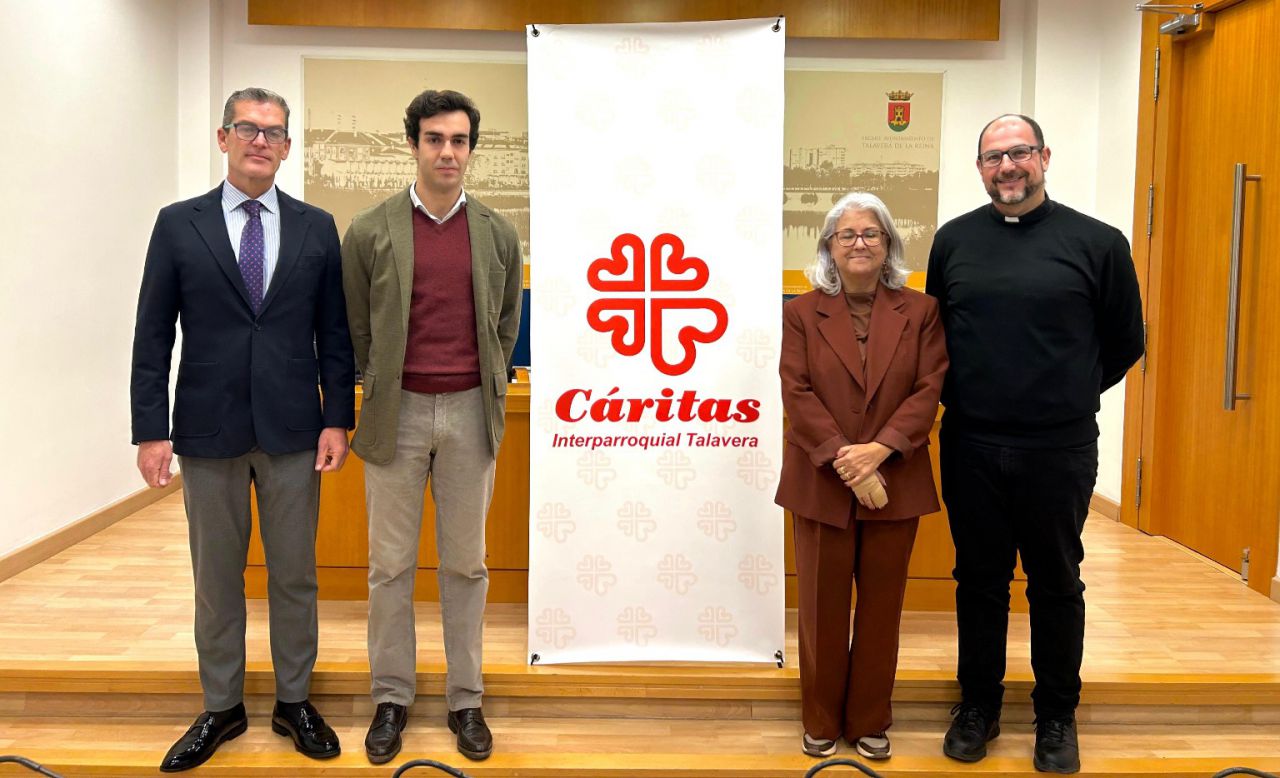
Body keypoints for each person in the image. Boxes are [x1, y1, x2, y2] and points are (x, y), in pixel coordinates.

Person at [130, 87, 354, 772]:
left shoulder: (317, 227)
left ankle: (294, 701)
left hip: (294, 430)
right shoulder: (179, 224)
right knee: (216, 578)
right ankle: (222, 705)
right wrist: (150, 429)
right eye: (248, 128)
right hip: (207, 429)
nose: (261, 141)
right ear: (223, 137)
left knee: (295, 575)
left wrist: (337, 418)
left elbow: (335, 334)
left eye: (274, 132)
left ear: (287, 147)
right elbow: (152, 333)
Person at [926, 114, 1144, 774]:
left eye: (1019, 152)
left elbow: (1125, 342)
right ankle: (978, 707)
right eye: (994, 157)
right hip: (971, 443)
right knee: (979, 581)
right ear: (980, 168)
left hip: (1059, 448)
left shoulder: (1098, 243)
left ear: (1044, 157)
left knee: (1055, 582)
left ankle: (1056, 715)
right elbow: (937, 337)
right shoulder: (954, 241)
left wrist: (1063, 391)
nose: (1008, 166)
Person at [341, 89, 523, 764]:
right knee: (389, 566)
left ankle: (465, 699)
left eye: (459, 140)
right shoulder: (370, 229)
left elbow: (505, 323)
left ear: (472, 149)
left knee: (466, 565)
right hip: (398, 414)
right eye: (434, 139)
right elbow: (356, 324)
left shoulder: (497, 233)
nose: (447, 152)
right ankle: (391, 697)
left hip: (472, 412)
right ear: (413, 145)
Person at [776, 192, 948, 761]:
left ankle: (871, 718)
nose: (859, 243)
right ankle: (821, 719)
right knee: (821, 609)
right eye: (846, 234)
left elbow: (929, 388)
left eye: (871, 233)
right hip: (821, 483)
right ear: (829, 245)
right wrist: (846, 460)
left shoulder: (921, 311)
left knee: (881, 609)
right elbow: (796, 391)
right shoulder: (800, 313)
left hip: (896, 480)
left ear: (888, 243)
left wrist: (878, 452)